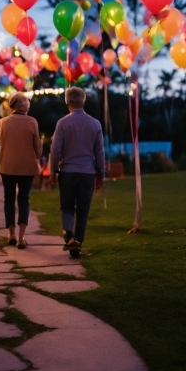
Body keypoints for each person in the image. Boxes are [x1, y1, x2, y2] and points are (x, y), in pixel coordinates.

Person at [49, 87, 105, 259]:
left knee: (66, 207)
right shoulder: (95, 123)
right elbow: (99, 152)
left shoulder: (62, 123)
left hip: (68, 171)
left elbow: (56, 150)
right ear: (84, 101)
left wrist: (53, 171)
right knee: (83, 210)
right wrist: (101, 174)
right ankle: (78, 242)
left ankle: (69, 236)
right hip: (87, 172)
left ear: (67, 102)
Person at [0, 92, 42, 250]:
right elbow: (38, 151)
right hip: (27, 167)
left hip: (7, 166)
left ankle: (11, 234)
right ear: (25, 107)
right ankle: (21, 237)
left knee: (9, 199)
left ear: (11, 107)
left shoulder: (3, 122)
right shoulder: (32, 122)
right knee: (24, 200)